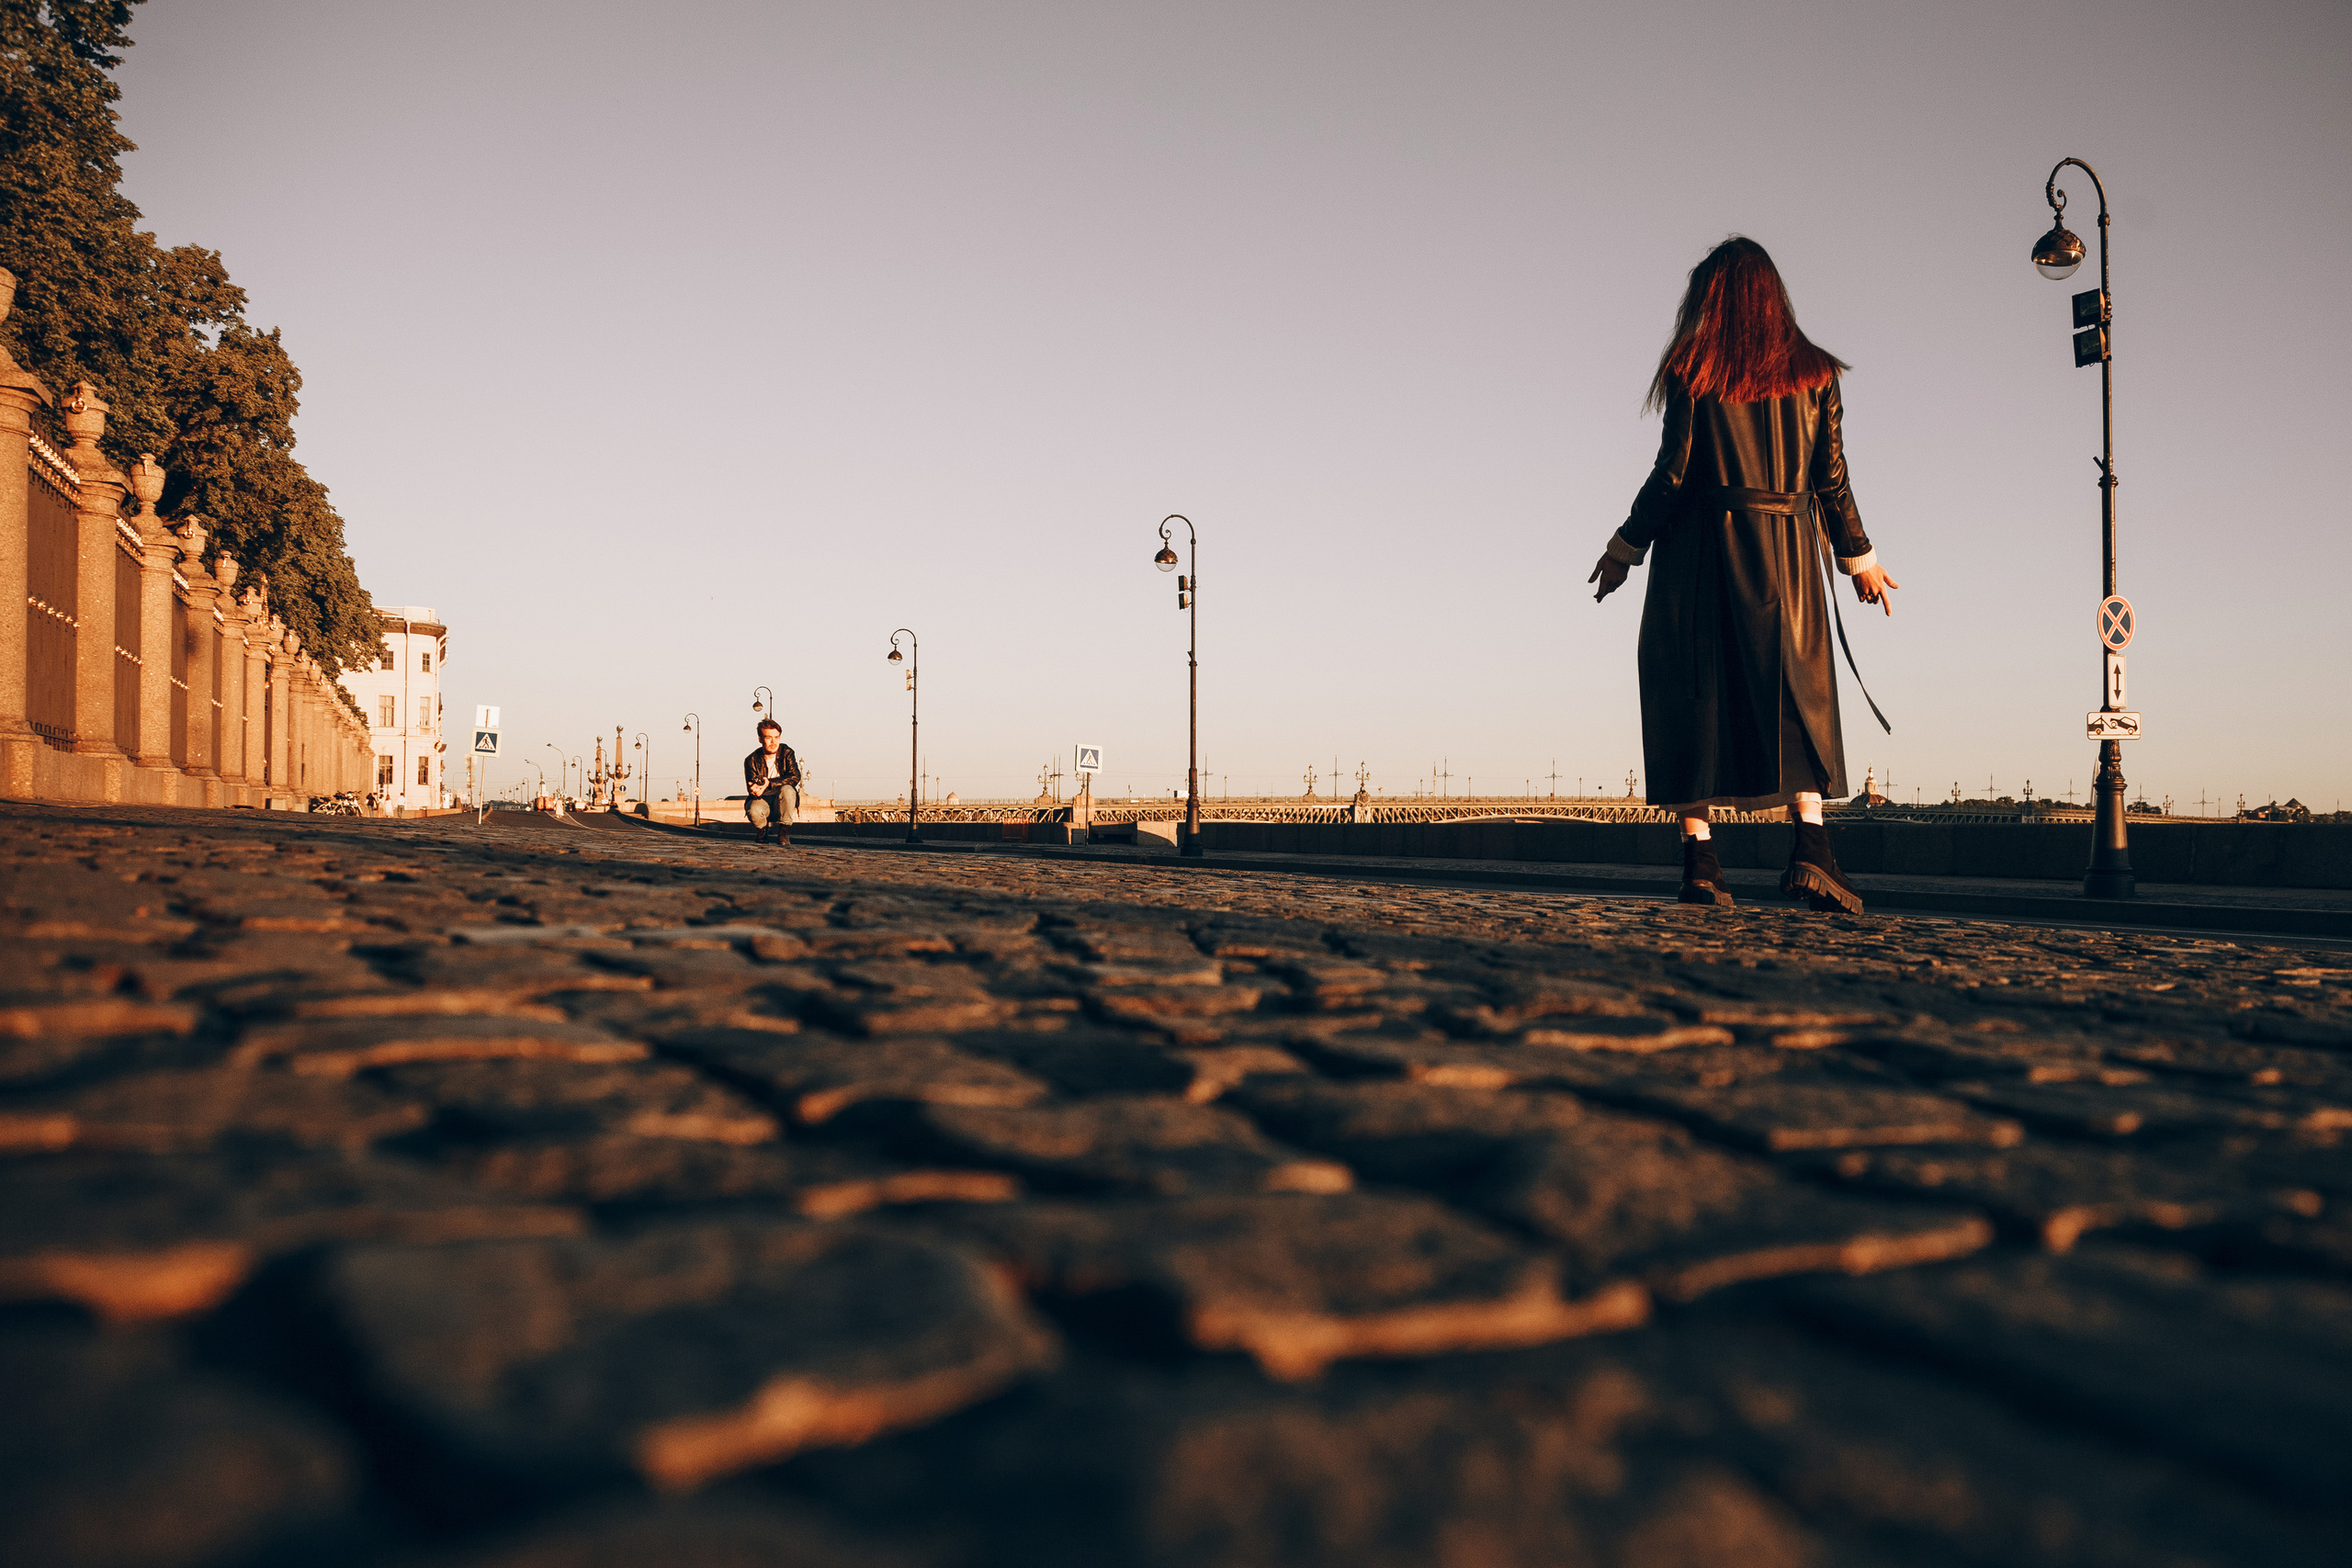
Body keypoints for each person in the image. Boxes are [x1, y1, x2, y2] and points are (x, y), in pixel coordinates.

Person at [1589, 237, 1900, 914]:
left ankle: (1701, 861)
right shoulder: (1816, 373)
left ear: (1712, 298)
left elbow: (1673, 475)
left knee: (1690, 697)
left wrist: (1624, 546)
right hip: (1787, 551)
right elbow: (1831, 478)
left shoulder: (1692, 369)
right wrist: (1861, 560)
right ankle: (1812, 848)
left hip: (1699, 556)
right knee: (1796, 692)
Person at [742, 719, 802, 846]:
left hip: (783, 800)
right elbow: (752, 787)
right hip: (763, 799)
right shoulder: (751, 760)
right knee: (752, 810)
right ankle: (763, 831)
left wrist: (769, 783)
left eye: (777, 737)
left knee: (788, 789)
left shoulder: (787, 752)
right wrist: (754, 790)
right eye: (769, 738)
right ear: (760, 739)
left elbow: (795, 776)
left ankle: (784, 832)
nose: (774, 742)